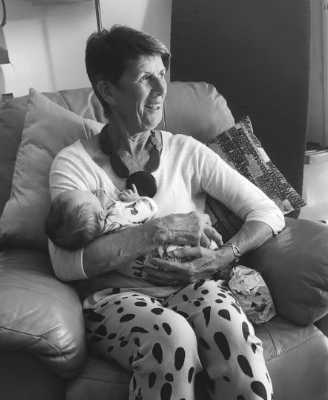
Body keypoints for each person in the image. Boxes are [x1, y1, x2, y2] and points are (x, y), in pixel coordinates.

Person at [48, 25, 285, 400]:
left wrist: (221, 256)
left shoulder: (186, 151)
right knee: (171, 336)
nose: (161, 90)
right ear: (108, 91)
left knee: (231, 331)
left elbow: (268, 212)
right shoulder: (73, 165)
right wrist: (159, 231)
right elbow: (65, 264)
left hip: (194, 284)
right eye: (146, 78)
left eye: (162, 74)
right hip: (115, 297)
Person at [45, 188, 276, 326]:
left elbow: (269, 212)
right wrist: (136, 200)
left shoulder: (94, 242)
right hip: (182, 254)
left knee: (220, 305)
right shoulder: (115, 215)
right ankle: (238, 283)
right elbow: (149, 208)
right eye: (88, 195)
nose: (94, 192)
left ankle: (228, 277)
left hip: (159, 275)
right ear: (98, 215)